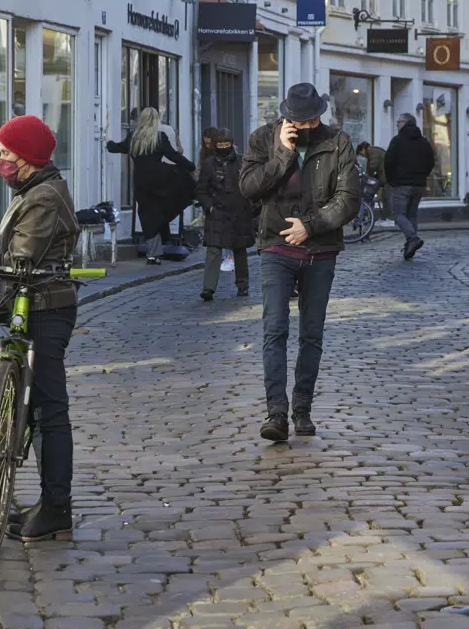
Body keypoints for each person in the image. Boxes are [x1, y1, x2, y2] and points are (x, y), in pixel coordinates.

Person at [239, 83, 359, 442]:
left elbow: (348, 198)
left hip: (320, 250)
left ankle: (302, 407)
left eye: (309, 121)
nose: (304, 127)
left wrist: (311, 226)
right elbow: (247, 188)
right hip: (276, 245)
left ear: (319, 115)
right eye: (296, 121)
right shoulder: (264, 139)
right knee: (274, 329)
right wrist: (282, 156)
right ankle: (276, 412)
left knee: (311, 333)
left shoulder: (338, 143)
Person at [0, 114, 82, 541]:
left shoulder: (44, 195)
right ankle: (48, 501)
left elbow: (23, 253)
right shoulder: (33, 189)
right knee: (40, 411)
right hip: (34, 306)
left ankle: (57, 509)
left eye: (7, 153)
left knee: (50, 411)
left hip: (46, 308)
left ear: (27, 157)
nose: (1, 161)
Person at [108, 108, 195, 264]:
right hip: (160, 181)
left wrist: (107, 142)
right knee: (161, 212)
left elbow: (117, 147)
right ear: (156, 121)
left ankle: (153, 254)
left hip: (141, 183)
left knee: (146, 217)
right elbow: (173, 156)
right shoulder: (159, 138)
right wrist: (190, 166)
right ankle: (157, 249)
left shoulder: (133, 138)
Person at [198, 127, 255, 301]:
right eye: (220, 144)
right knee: (213, 251)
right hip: (218, 211)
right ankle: (208, 288)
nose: (223, 147)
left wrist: (249, 206)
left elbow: (250, 186)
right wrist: (210, 207)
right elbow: (201, 190)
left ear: (232, 144)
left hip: (239, 211)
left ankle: (242, 285)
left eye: (226, 144)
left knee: (239, 250)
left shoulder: (241, 162)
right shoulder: (209, 164)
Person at [384, 113, 436, 259]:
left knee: (397, 214)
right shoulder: (424, 142)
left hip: (401, 184)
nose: (397, 125)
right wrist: (422, 176)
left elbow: (388, 162)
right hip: (418, 185)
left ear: (406, 123)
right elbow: (431, 161)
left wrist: (392, 180)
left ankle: (412, 239)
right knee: (412, 215)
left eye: (399, 122)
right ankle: (410, 246)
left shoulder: (398, 140)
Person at [356, 141, 389, 216]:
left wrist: (368, 178)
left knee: (386, 199)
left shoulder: (372, 152)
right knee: (383, 198)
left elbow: (372, 167)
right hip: (384, 176)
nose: (363, 156)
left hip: (386, 177)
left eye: (361, 154)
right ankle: (383, 217)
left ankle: (388, 219)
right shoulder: (372, 152)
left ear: (363, 149)